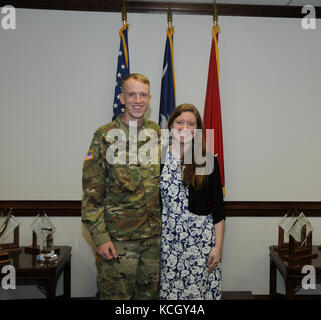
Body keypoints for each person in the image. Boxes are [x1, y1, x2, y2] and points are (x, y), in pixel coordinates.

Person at [81, 73, 162, 300]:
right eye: (132, 94)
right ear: (122, 98)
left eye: (143, 95)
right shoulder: (104, 136)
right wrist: (100, 237)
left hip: (153, 242)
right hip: (117, 243)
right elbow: (91, 195)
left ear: (150, 98)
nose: (138, 100)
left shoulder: (158, 135)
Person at [160, 103, 225, 300]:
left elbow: (219, 210)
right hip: (167, 245)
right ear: (171, 125)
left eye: (191, 123)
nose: (185, 128)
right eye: (180, 122)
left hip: (200, 245)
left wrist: (218, 247)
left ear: (198, 130)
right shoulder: (158, 158)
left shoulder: (208, 161)